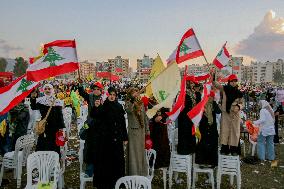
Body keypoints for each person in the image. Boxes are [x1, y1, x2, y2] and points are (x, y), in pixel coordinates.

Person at [92, 87, 128, 189]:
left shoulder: (119, 106)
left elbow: (122, 123)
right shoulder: (103, 106)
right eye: (110, 94)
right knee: (105, 161)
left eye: (114, 95)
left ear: (116, 96)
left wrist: (125, 137)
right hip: (105, 139)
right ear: (107, 95)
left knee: (117, 161)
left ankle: (117, 183)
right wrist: (96, 107)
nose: (112, 96)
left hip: (117, 139)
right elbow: (95, 116)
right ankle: (105, 184)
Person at [213, 74, 244, 155]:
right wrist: (213, 75)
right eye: (232, 81)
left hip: (235, 114)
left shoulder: (239, 93)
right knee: (225, 131)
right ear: (229, 82)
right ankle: (224, 149)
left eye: (235, 81)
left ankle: (233, 150)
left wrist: (238, 106)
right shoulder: (224, 89)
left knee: (234, 131)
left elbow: (242, 103)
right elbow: (216, 85)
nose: (233, 83)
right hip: (226, 113)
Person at [30, 84, 65, 155]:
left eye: (49, 89)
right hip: (44, 126)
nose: (47, 90)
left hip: (54, 127)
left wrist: (61, 127)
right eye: (45, 89)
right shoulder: (40, 100)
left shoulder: (57, 101)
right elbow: (33, 107)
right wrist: (33, 98)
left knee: (54, 144)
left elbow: (60, 115)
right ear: (43, 90)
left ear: (52, 90)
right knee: (43, 143)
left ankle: (53, 161)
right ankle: (42, 160)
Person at [125, 87, 149, 176]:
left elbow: (145, 117)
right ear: (130, 95)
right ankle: (133, 174)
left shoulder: (141, 103)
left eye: (136, 92)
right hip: (133, 132)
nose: (136, 94)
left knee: (141, 154)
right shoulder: (128, 103)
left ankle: (142, 173)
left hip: (141, 132)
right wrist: (132, 100)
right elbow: (128, 110)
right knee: (134, 154)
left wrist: (147, 130)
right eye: (133, 93)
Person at [195, 91, 220, 167]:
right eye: (209, 97)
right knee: (203, 144)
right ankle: (202, 162)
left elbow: (218, 111)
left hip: (212, 127)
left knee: (212, 144)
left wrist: (215, 104)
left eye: (211, 97)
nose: (210, 98)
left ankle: (211, 162)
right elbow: (198, 112)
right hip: (204, 126)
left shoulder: (214, 104)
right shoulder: (202, 104)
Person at [177, 78, 200, 155]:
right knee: (184, 133)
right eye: (191, 83)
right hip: (184, 117)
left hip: (190, 117)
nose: (193, 84)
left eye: (193, 83)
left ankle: (191, 149)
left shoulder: (193, 93)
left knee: (190, 133)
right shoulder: (183, 93)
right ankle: (184, 151)